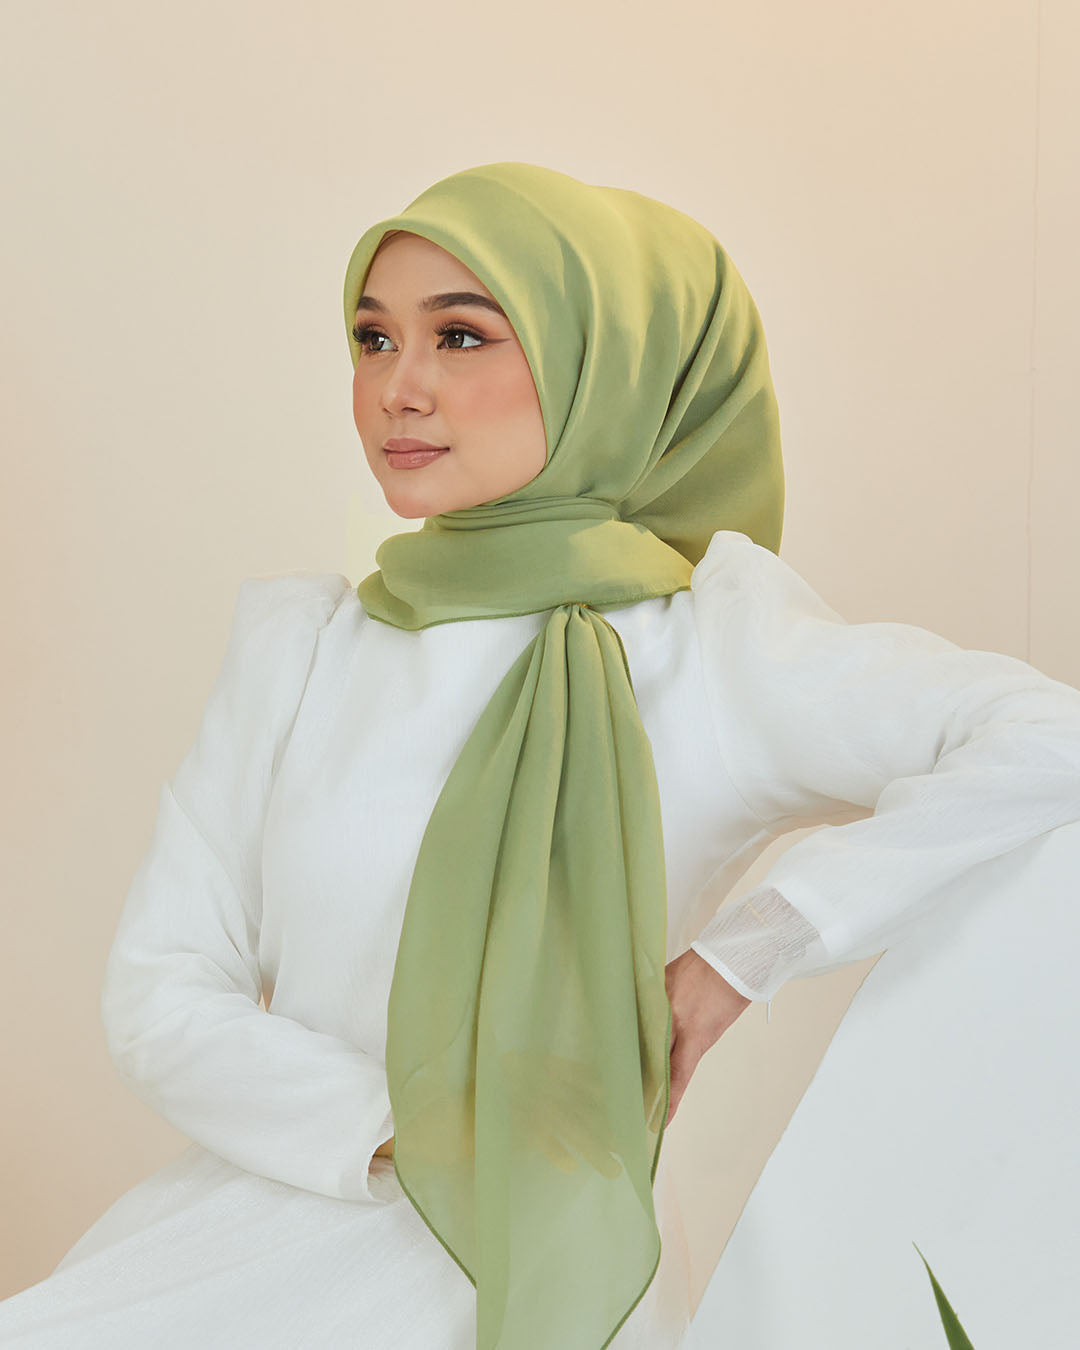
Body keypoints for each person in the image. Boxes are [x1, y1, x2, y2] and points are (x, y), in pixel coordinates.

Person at [2, 161, 1079, 1349]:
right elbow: (159, 989)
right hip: (262, 1231)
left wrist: (746, 953)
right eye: (372, 338)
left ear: (603, 364)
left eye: (460, 336)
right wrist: (421, 1131)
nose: (398, 388)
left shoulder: (714, 654)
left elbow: (1048, 741)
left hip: (549, 1284)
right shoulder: (303, 650)